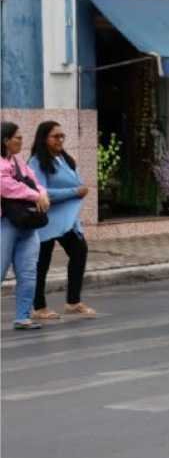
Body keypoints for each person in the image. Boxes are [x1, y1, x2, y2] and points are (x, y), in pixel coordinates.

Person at [27, 121, 96, 321]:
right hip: (47, 219)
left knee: (79, 250)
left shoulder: (63, 159)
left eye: (62, 136)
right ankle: (38, 307)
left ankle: (73, 301)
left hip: (67, 221)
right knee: (42, 262)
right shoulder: (37, 162)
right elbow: (41, 192)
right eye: (55, 136)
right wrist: (74, 192)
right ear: (44, 138)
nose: (60, 140)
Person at [1, 122, 49, 330]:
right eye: (18, 138)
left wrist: (43, 193)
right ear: (5, 140)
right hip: (5, 224)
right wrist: (35, 195)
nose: (21, 141)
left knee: (28, 271)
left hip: (26, 223)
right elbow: (7, 187)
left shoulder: (19, 161)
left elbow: (35, 181)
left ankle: (22, 316)